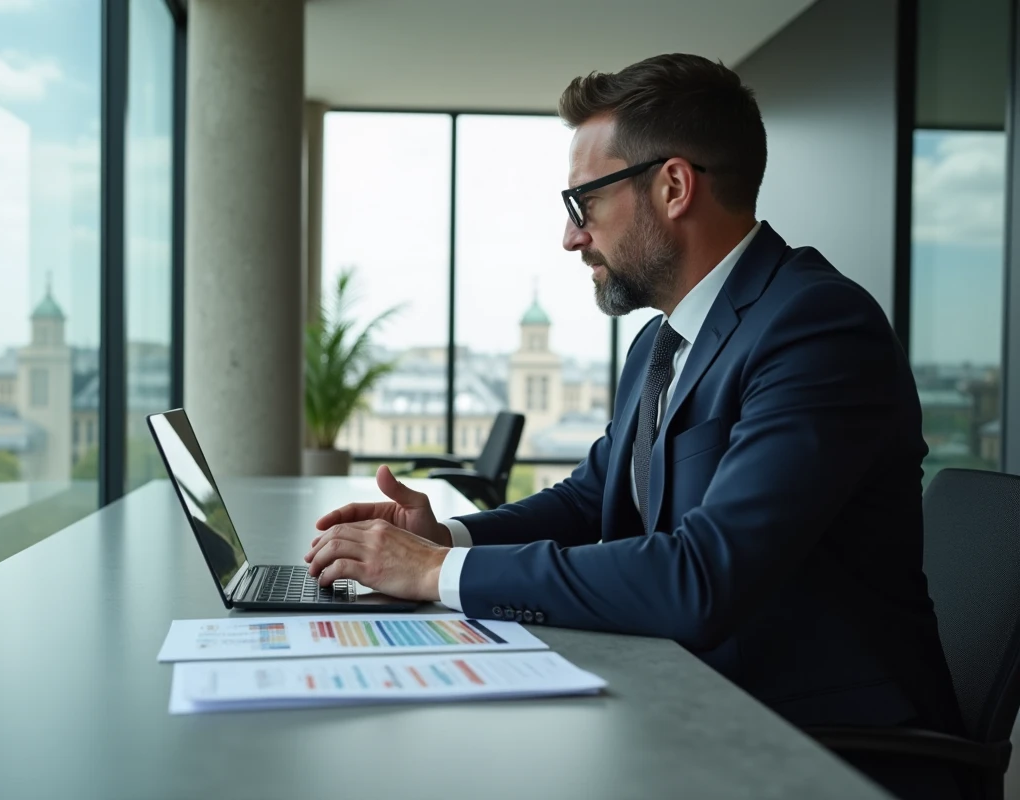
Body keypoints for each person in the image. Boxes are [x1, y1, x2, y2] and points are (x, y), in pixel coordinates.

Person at [305, 54, 963, 798]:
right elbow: (593, 501)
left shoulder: (815, 327)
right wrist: (449, 539)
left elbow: (702, 575)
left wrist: (433, 576)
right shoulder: (660, 344)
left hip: (822, 746)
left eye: (582, 201)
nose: (570, 236)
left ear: (673, 187)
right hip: (690, 699)